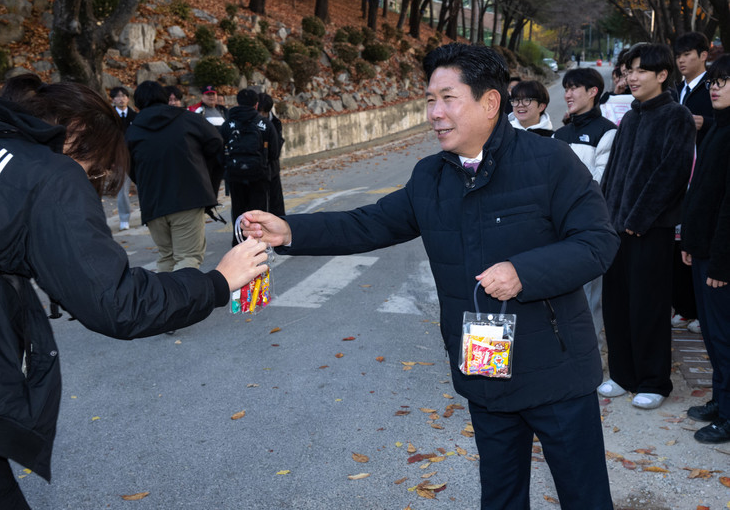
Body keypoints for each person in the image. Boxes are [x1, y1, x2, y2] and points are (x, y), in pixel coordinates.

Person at [242, 43, 619, 509]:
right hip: (485, 371)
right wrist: (289, 230)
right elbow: (367, 223)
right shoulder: (430, 177)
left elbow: (597, 242)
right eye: (429, 100)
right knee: (500, 497)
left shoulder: (550, 162)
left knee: (584, 497)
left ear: (490, 102)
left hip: (556, 372)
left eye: (447, 98)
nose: (434, 113)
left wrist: (523, 272)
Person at [0, 80, 268, 509]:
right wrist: (217, 282)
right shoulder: (47, 173)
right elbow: (116, 300)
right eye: (97, 171)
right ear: (78, 133)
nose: (93, 181)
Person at [599, 43, 696, 409]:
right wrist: (604, 217)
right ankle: (622, 374)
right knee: (616, 305)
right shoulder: (631, 117)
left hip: (650, 229)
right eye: (629, 70)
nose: (632, 77)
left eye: (641, 70)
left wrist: (639, 219)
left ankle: (654, 381)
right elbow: (612, 174)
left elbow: (673, 173)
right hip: (616, 229)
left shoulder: (676, 116)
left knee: (649, 306)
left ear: (662, 74)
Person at [680, 54, 730, 444]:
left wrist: (722, 263)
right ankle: (721, 400)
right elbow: (702, 193)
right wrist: (691, 243)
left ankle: (729, 415)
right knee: (712, 336)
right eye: (713, 80)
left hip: (721, 258)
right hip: (704, 250)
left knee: (725, 337)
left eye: (724, 81)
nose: (715, 87)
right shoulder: (718, 127)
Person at [126, 81, 224, 272]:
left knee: (167, 256)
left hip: (153, 203)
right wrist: (199, 165)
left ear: (137, 103)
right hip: (187, 197)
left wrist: (146, 182)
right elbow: (216, 142)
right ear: (165, 97)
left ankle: (166, 292)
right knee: (188, 257)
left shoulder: (132, 130)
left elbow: (129, 166)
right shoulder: (187, 118)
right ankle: (185, 292)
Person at [554, 68, 618, 353]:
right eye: (566, 88)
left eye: (574, 88)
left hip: (587, 227)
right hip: (556, 226)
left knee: (589, 297)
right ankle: (563, 354)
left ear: (593, 92)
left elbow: (599, 181)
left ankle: (590, 356)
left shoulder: (607, 132)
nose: (567, 94)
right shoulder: (559, 134)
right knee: (558, 293)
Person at [672, 32, 713, 334]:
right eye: (678, 55)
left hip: (705, 176)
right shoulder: (676, 90)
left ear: (703, 55)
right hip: (678, 174)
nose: (682, 60)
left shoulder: (713, 87)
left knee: (698, 239)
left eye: (688, 54)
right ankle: (685, 308)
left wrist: (705, 123)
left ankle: (701, 311)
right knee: (678, 243)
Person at [220, 88, 279, 246]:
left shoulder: (228, 124)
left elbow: (220, 150)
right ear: (256, 104)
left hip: (235, 175)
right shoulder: (264, 124)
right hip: (259, 174)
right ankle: (257, 243)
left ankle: (239, 242)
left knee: (238, 210)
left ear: (238, 103)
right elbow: (274, 153)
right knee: (258, 212)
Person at [109, 86, 138, 231]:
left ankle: (148, 214)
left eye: (124, 96)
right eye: (118, 96)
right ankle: (124, 218)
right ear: (113, 99)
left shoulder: (135, 117)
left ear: (128, 98)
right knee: (122, 190)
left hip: (136, 156)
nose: (121, 99)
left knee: (143, 187)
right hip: (119, 157)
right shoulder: (109, 118)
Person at [258, 92, 285, 216]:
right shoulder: (252, 122)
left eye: (263, 112)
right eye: (259, 111)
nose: (261, 115)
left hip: (272, 168)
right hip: (257, 169)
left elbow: (276, 149)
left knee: (275, 202)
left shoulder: (275, 123)